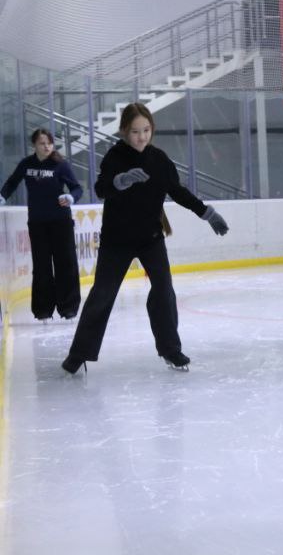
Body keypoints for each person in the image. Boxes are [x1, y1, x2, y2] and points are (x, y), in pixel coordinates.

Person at [61, 103, 229, 375]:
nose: (141, 137)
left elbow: (178, 192)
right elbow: (101, 188)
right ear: (124, 131)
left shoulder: (159, 160)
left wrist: (207, 213)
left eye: (146, 130)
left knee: (164, 290)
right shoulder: (115, 157)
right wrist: (120, 181)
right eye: (135, 131)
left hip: (151, 238)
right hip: (117, 240)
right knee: (102, 294)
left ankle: (170, 349)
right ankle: (79, 354)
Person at [1, 128, 84, 320]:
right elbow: (12, 182)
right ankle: (43, 310)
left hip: (61, 222)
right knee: (41, 266)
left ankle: (69, 308)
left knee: (66, 263)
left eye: (49, 143)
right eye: (42, 143)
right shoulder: (26, 164)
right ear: (34, 145)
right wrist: (3, 196)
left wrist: (71, 197)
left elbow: (76, 188)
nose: (46, 146)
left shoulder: (60, 165)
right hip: (38, 223)